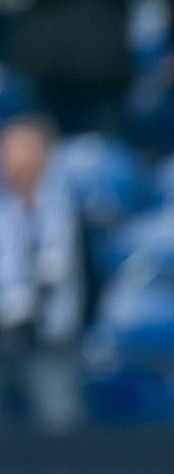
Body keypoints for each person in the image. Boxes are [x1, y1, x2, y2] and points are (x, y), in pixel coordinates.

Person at [0, 113, 85, 432]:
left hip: (53, 341)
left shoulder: (71, 210)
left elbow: (92, 275)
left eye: (18, 149)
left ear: (43, 155)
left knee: (59, 431)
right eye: (5, 149)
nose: (8, 158)